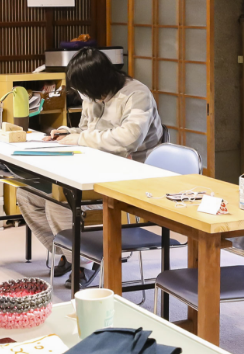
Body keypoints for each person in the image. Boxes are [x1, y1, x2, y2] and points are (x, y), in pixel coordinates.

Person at [16, 48, 164, 287]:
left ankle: (83, 262)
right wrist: (67, 132)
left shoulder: (137, 94)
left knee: (59, 201)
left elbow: (129, 139)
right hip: (94, 167)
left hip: (130, 175)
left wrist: (79, 139)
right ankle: (72, 253)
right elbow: (87, 130)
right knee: (27, 194)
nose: (83, 95)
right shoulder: (92, 95)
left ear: (98, 81)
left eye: (84, 89)